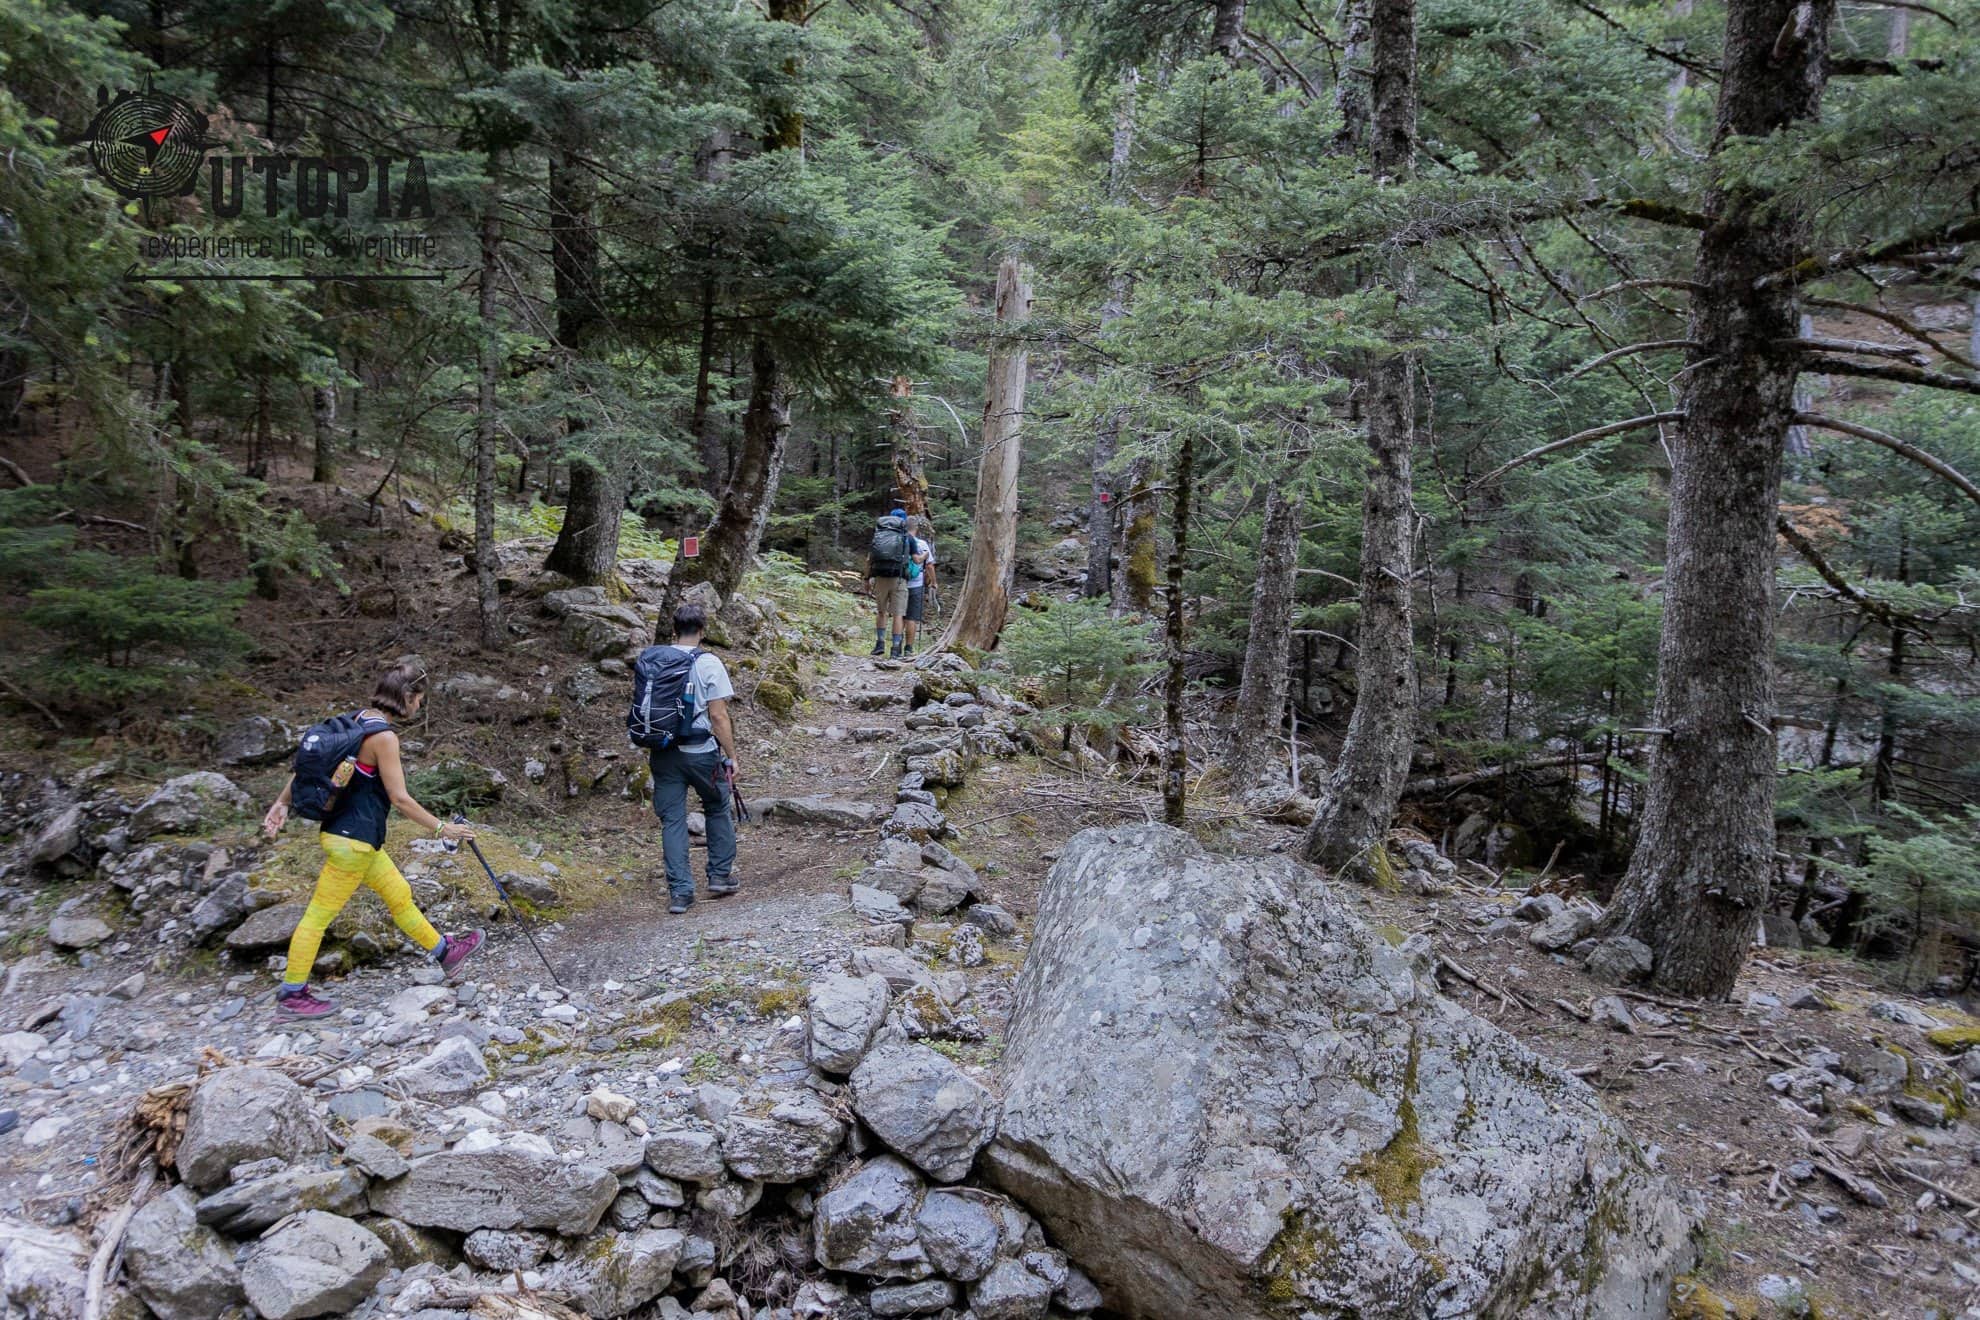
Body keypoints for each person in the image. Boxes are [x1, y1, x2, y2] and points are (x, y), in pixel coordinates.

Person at [260, 663, 484, 1020]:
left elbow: (307, 768)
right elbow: (400, 798)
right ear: (407, 697)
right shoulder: (384, 738)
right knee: (317, 917)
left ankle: (445, 952)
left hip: (350, 838)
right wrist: (443, 829)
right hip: (354, 844)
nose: (420, 706)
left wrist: (282, 802)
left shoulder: (357, 719)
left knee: (398, 895)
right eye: (420, 699)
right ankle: (292, 994)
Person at [648, 602, 739, 914]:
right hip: (700, 752)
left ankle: (681, 893)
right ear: (702, 631)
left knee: (672, 820)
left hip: (663, 753)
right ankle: (719, 876)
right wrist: (731, 756)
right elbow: (719, 716)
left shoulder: (656, 658)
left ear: (674, 630)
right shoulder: (709, 663)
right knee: (716, 806)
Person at [865, 508, 914, 658]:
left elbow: (869, 559)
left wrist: (866, 579)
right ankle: (895, 649)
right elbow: (916, 559)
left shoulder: (879, 536)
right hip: (899, 579)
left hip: (880, 577)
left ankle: (879, 644)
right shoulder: (907, 537)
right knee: (898, 614)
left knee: (881, 612)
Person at [901, 519, 937, 657]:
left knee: (899, 616)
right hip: (916, 584)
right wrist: (933, 582)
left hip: (900, 583)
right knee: (912, 617)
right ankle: (908, 649)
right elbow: (929, 565)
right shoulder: (922, 544)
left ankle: (896, 647)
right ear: (916, 528)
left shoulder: (900, 541)